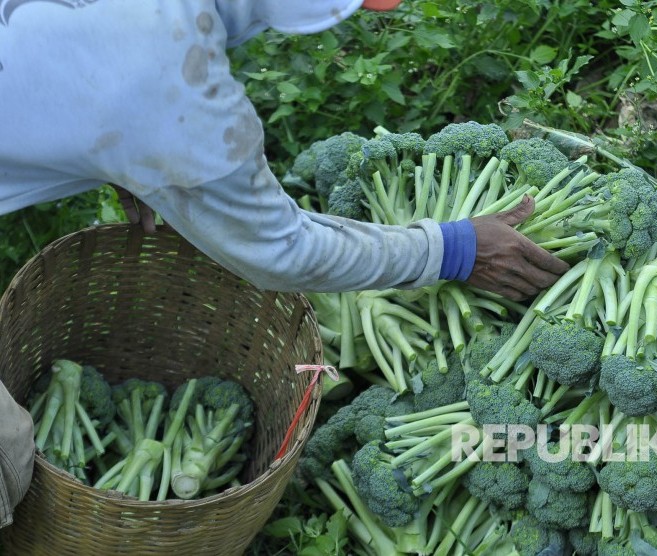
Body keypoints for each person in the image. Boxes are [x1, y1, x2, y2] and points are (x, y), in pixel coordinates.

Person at [0, 0, 570, 526]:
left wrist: (118, 149)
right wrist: (455, 249)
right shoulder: (176, 88)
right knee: (6, 450)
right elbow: (283, 250)